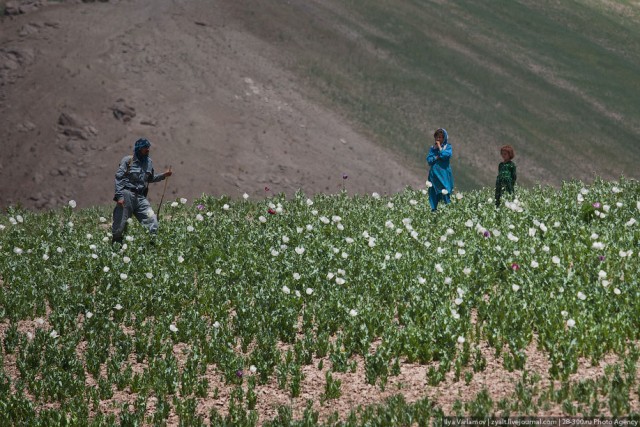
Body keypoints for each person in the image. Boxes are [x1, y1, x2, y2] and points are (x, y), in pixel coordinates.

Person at [112, 138, 173, 244]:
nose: (148, 150)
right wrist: (119, 196)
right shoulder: (128, 160)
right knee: (120, 225)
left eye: (148, 147)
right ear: (139, 148)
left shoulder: (149, 162)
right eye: (145, 148)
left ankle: (152, 246)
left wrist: (164, 175)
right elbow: (119, 178)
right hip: (126, 195)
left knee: (152, 220)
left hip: (140, 197)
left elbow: (150, 179)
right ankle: (117, 248)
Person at [426, 128, 454, 211]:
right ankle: (433, 211)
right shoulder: (432, 149)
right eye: (437, 137)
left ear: (444, 138)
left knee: (445, 191)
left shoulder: (447, 147)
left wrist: (439, 148)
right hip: (434, 175)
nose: (438, 139)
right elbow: (429, 160)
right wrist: (437, 157)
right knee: (433, 193)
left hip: (444, 174)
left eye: (441, 137)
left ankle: (448, 211)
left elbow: (446, 156)